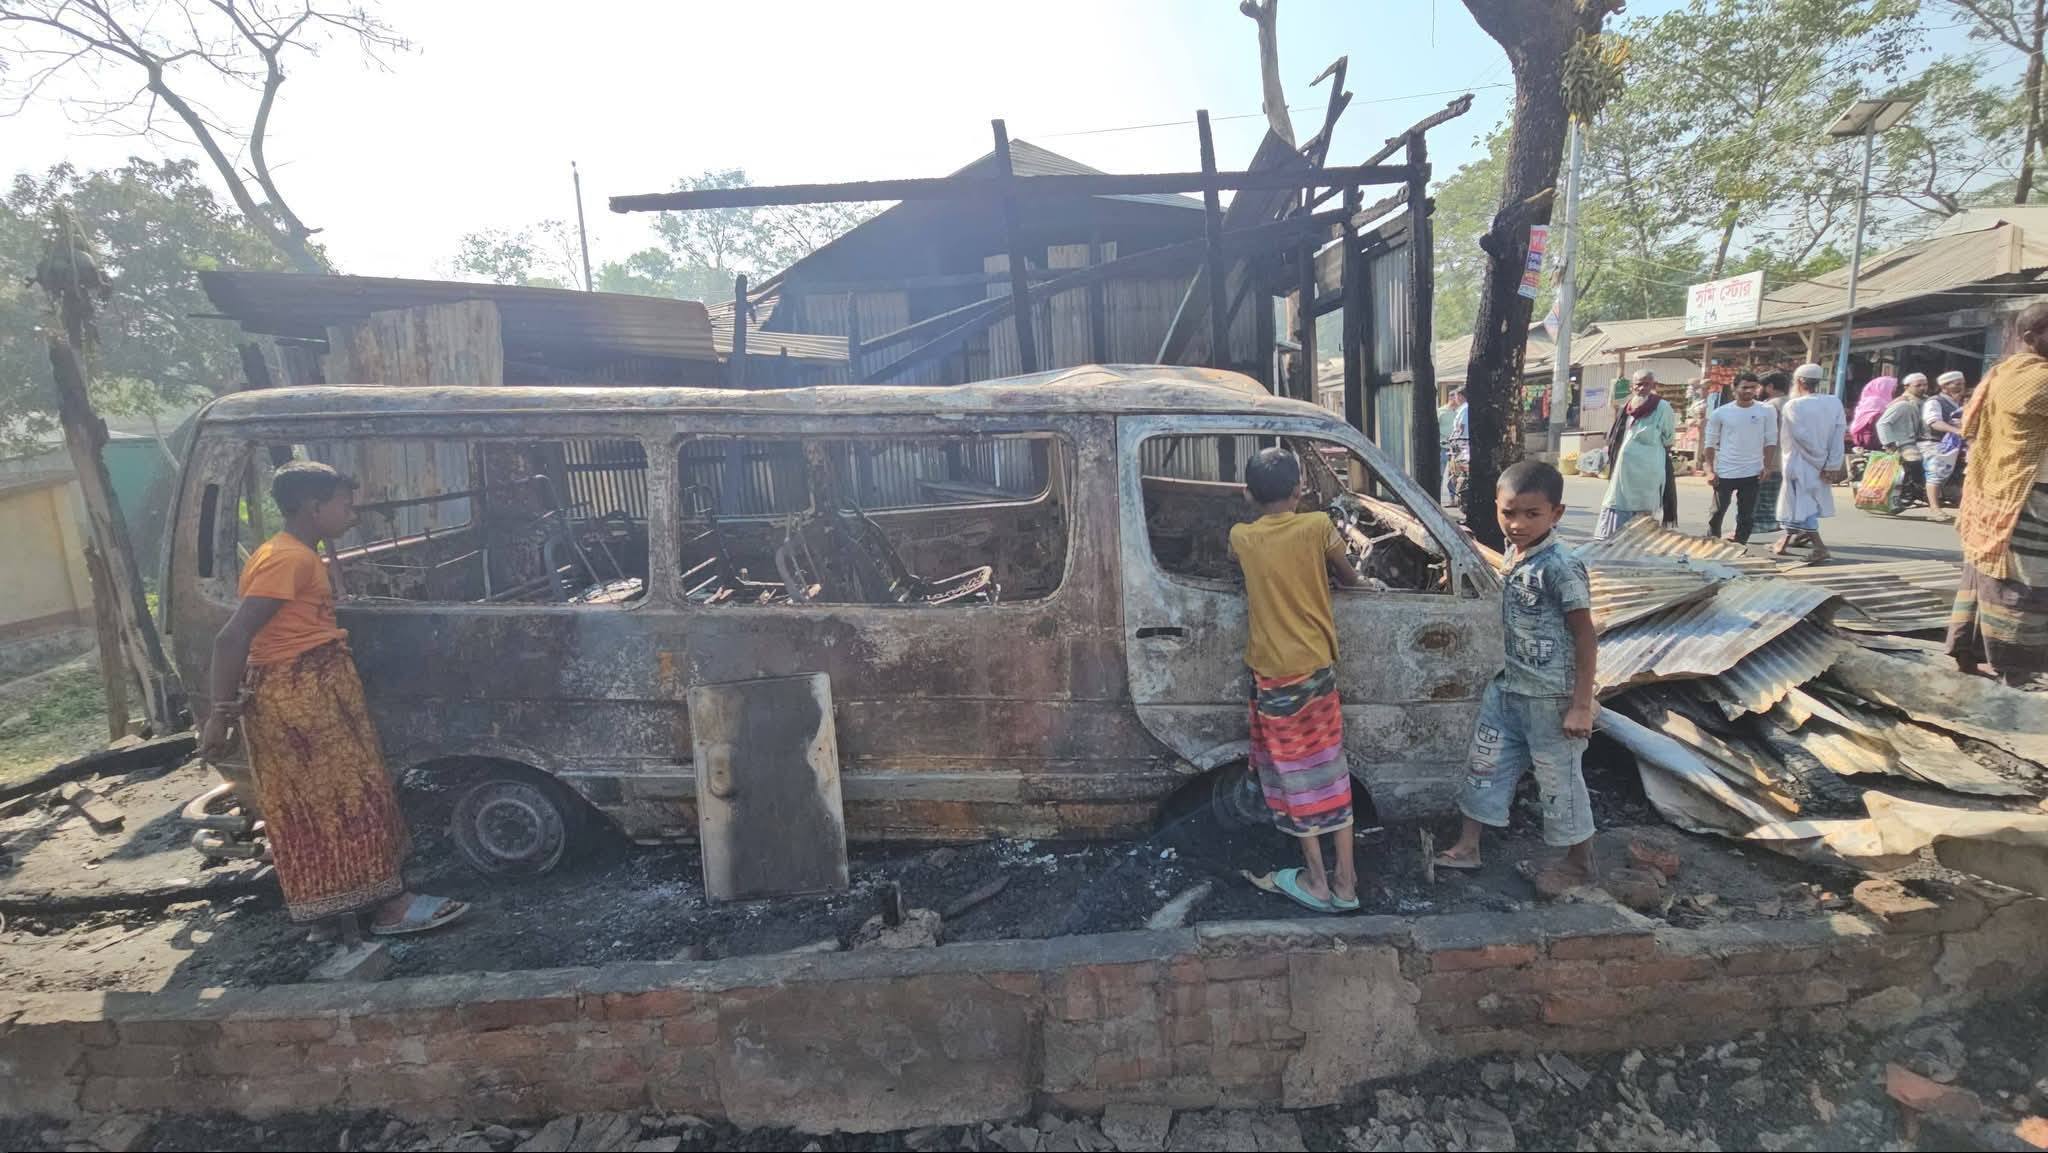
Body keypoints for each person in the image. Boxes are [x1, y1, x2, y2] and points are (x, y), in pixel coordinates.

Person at [198, 462, 468, 940]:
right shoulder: (289, 559)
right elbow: (232, 636)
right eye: (345, 504)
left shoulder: (289, 553)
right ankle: (390, 907)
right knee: (348, 799)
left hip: (306, 692)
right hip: (302, 700)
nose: (352, 513)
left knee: (316, 806)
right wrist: (218, 716)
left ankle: (335, 915)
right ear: (313, 506)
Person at [1434, 460, 1598, 893]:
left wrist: (1581, 705)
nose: (1518, 524)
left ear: (1556, 514)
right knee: (1483, 766)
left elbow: (1585, 637)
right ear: (1496, 507)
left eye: (1532, 514)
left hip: (1550, 699)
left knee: (1559, 782)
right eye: (1509, 513)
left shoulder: (1561, 566)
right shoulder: (1516, 552)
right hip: (1508, 689)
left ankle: (1579, 864)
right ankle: (1468, 846)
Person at [1229, 447, 1370, 913]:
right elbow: (1349, 579)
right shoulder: (1318, 527)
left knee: (1295, 776)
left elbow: (1236, 558)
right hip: (1317, 670)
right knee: (1329, 768)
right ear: (1299, 490)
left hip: (1274, 677)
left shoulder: (1241, 537)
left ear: (1247, 494)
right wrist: (1368, 585)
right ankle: (1346, 881)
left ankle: (1316, 880)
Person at [1949, 303, 2048, 686]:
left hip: (1993, 489)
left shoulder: (2001, 372)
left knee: (1985, 571)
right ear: (2031, 337)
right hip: (2026, 494)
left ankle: (1968, 651)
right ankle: (2017, 669)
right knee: (2025, 580)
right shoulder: (2038, 380)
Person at [1775, 363, 1848, 562]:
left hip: (1800, 462)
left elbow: (1801, 438)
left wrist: (1820, 462)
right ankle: (1783, 542)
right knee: (1797, 503)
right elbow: (1838, 435)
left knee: (1802, 505)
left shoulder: (1793, 405)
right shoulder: (1834, 402)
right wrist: (1831, 464)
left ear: (1799, 381)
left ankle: (1819, 548)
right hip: (1822, 463)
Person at [1701, 371, 1780, 544]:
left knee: (1746, 515)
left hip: (1753, 471)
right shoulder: (1721, 413)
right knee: (1717, 512)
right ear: (1734, 388)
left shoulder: (1767, 410)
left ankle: (1740, 545)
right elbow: (1709, 443)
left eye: (1753, 387)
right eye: (1744, 387)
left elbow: (1770, 440)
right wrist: (1710, 470)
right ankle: (1712, 543)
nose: (1749, 391)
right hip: (1725, 471)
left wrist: (1767, 466)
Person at [1597, 370, 1676, 539]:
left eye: (1646, 384)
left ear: (1653, 385)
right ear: (1632, 386)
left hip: (1648, 469)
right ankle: (1612, 541)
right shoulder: (1627, 406)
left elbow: (1668, 439)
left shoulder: (1662, 407)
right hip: (1624, 467)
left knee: (1644, 508)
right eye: (1638, 384)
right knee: (1616, 502)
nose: (1642, 388)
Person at [1922, 370, 1969, 520]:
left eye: (1962, 384)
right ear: (1944, 386)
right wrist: (1956, 431)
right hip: (1935, 442)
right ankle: (1934, 509)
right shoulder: (1935, 401)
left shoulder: (1961, 402)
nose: (1961, 387)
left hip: (1958, 444)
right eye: (1957, 384)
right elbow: (1934, 422)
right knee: (1936, 473)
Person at [1753, 371, 1792, 535]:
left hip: (1770, 460)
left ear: (1769, 387)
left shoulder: (1769, 406)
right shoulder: (1793, 403)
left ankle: (1757, 527)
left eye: (1758, 387)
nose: (1756, 391)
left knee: (1761, 498)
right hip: (1789, 460)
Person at [1850, 374, 1900, 451]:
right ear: (1883, 388)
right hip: (1873, 441)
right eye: (1892, 388)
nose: (1894, 390)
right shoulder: (1876, 401)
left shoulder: (1871, 400)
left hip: (1869, 440)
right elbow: (1877, 422)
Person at [1438, 388, 1467, 503]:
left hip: (1456, 448)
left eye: (1457, 397)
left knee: (1454, 474)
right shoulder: (1441, 412)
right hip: (1443, 446)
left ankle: (1452, 499)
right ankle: (1437, 498)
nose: (1456, 400)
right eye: (1454, 397)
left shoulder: (1460, 411)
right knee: (1440, 473)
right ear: (1450, 398)